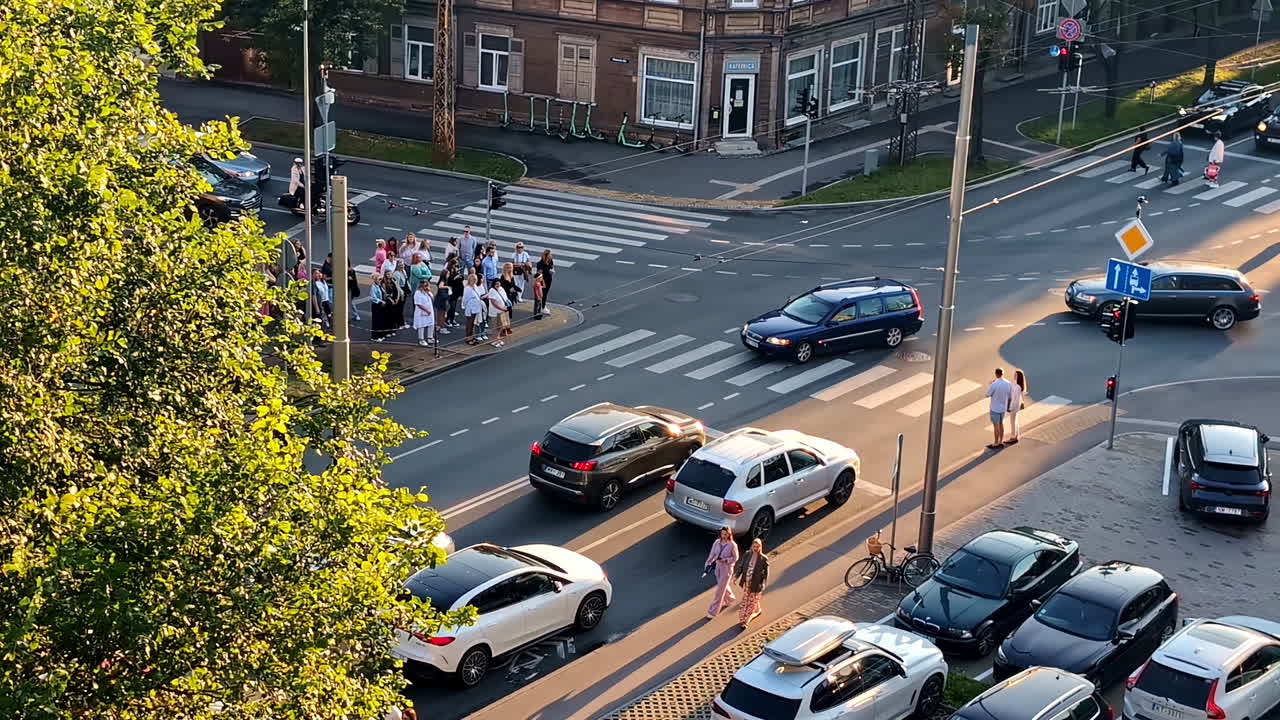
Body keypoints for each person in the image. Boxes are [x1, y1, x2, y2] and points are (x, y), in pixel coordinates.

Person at [704, 527, 739, 619]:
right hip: (718, 567)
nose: (724, 536)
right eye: (722, 534)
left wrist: (726, 560)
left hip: (726, 569)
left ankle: (713, 611)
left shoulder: (732, 545)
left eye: (726, 534)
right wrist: (707, 565)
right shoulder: (717, 542)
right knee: (723, 586)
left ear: (729, 534)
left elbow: (736, 558)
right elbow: (712, 555)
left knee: (719, 591)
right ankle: (730, 599)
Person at [735, 538, 769, 630]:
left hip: (756, 584)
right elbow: (741, 567)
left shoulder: (763, 559)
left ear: (760, 547)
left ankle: (745, 621)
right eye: (754, 546)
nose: (755, 548)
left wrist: (764, 584)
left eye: (757, 547)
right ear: (752, 546)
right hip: (747, 583)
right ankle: (756, 611)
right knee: (745, 601)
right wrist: (736, 577)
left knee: (751, 603)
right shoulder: (747, 554)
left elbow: (766, 573)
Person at [984, 367, 1013, 449]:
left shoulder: (994, 384)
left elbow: (987, 395)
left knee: (996, 426)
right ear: (1003, 374)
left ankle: (996, 443)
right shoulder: (1008, 383)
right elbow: (1010, 396)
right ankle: (1001, 441)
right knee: (1001, 424)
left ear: (996, 374)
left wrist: (990, 385)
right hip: (1003, 408)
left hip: (995, 408)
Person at [486, 278, 511, 347]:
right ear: (493, 284)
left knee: (500, 326)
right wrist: (502, 308)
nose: (498, 285)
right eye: (496, 283)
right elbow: (494, 303)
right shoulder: (491, 290)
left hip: (502, 311)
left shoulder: (501, 289)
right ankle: (494, 340)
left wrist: (504, 308)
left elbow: (505, 298)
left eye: (499, 283)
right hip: (494, 312)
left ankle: (498, 338)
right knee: (495, 327)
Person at [1006, 369, 1028, 444]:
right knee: (1016, 421)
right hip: (1017, 406)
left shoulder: (1018, 387)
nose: (1014, 376)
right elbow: (1010, 385)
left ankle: (1013, 437)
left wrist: (1010, 408)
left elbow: (1015, 399)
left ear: (1018, 377)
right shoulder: (1017, 385)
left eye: (1015, 375)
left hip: (1014, 406)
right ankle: (1016, 436)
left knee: (1013, 422)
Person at [462, 273, 484, 345]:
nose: (474, 281)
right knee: (469, 323)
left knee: (473, 323)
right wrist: (464, 306)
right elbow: (465, 298)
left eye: (475, 279)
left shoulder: (475, 286)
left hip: (476, 307)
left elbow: (479, 295)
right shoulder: (467, 288)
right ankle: (468, 337)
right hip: (470, 307)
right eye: (472, 279)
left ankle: (471, 336)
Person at [412, 280, 434, 347]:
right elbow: (418, 304)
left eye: (427, 286)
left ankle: (430, 337)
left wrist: (428, 292)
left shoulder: (427, 292)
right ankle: (421, 339)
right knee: (421, 325)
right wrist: (426, 310)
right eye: (425, 286)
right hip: (421, 312)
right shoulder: (417, 293)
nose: (426, 287)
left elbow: (432, 298)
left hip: (429, 310)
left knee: (431, 323)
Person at [536, 249, 555, 316]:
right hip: (542, 280)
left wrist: (552, 271)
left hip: (549, 279)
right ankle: (542, 307)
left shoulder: (550, 261)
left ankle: (543, 306)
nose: (551, 256)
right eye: (550, 255)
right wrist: (547, 270)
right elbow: (539, 273)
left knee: (545, 293)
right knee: (542, 294)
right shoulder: (540, 264)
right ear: (547, 256)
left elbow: (552, 268)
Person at [369, 273, 387, 341]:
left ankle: (380, 335)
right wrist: (381, 301)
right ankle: (375, 337)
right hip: (376, 306)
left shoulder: (380, 286)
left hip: (381, 305)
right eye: (379, 279)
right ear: (375, 279)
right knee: (376, 321)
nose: (380, 280)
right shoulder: (373, 287)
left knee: (381, 320)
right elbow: (373, 298)